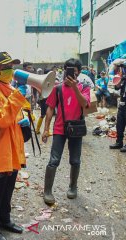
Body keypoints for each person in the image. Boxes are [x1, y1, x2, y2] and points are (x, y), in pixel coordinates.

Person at [0, 52, 30, 240]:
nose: (11, 71)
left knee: (8, 187)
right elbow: (0, 120)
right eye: (7, 67)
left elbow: (13, 116)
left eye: (12, 67)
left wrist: (24, 118)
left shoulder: (7, 89)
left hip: (12, 147)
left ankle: (5, 220)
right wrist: (17, 99)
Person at [41, 58, 90, 205]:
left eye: (73, 72)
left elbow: (85, 105)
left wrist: (75, 88)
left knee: (75, 160)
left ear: (79, 73)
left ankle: (73, 187)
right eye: (67, 71)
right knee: (53, 161)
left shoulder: (84, 88)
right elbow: (50, 108)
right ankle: (47, 191)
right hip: (60, 128)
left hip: (76, 129)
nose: (69, 75)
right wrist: (45, 129)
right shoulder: (57, 88)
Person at [35, 68, 52, 135]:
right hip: (44, 99)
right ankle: (38, 129)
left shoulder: (49, 80)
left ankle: (45, 130)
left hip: (47, 99)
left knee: (47, 115)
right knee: (44, 115)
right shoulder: (43, 80)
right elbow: (39, 90)